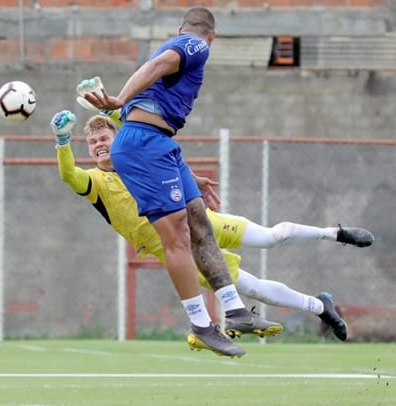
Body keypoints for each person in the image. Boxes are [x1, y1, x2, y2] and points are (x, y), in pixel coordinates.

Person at [51, 110, 375, 341]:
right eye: (91, 142)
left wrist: (192, 179)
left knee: (271, 237)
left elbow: (148, 140)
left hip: (199, 224)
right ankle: (320, 307)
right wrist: (63, 140)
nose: (98, 144)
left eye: (103, 137)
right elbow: (68, 175)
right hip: (177, 250)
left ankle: (335, 233)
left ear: (117, 138)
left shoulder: (137, 158)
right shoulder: (94, 181)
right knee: (252, 288)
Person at [78, 7, 277, 358]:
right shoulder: (195, 45)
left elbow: (155, 72)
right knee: (177, 236)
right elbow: (157, 66)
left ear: (179, 26)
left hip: (161, 143)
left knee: (199, 221)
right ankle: (201, 324)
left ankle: (235, 310)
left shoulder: (179, 46)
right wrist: (120, 99)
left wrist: (188, 174)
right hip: (143, 142)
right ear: (211, 35)